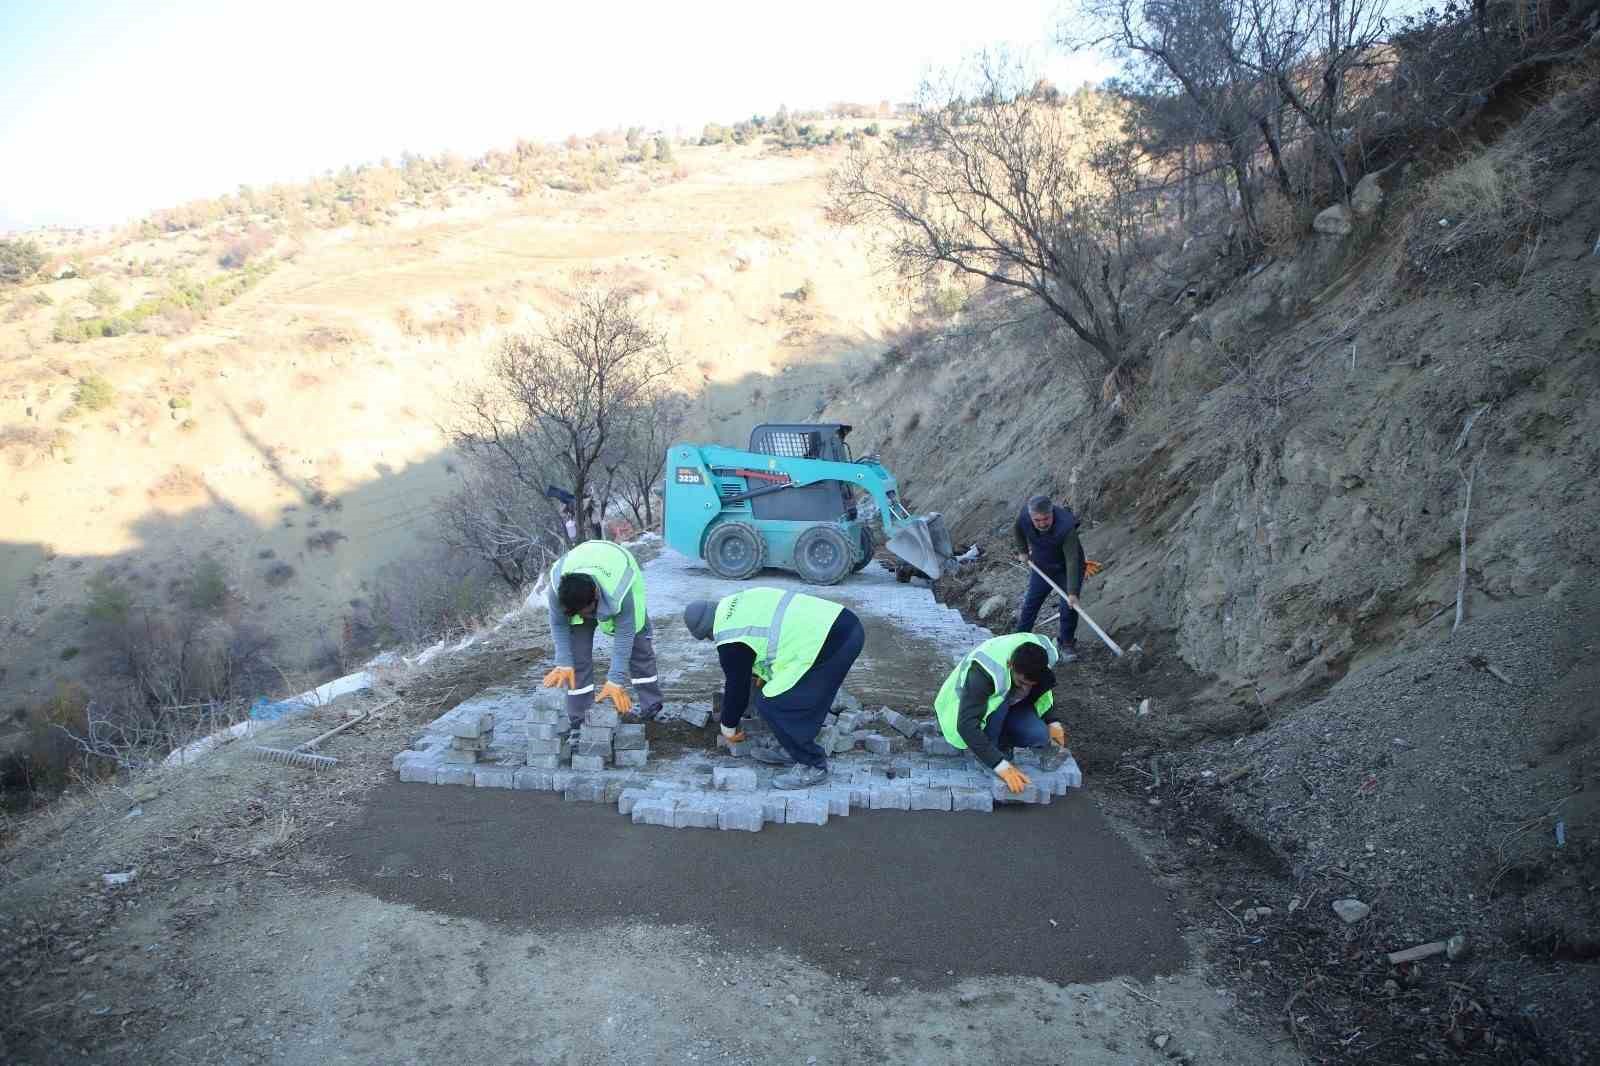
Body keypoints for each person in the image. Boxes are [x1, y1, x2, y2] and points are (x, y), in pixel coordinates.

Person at [682, 588, 864, 789]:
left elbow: (737, 688)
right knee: (789, 693)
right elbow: (766, 636)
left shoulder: (729, 637)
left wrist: (728, 725)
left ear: (707, 632)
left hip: (832, 641)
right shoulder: (735, 602)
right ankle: (790, 748)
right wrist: (763, 673)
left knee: (774, 703)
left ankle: (813, 765)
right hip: (841, 622)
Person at [542, 539, 664, 726]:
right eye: (578, 613)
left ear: (596, 595)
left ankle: (651, 704)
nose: (585, 617)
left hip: (615, 569)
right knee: (577, 658)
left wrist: (615, 680)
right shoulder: (558, 589)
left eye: (587, 612)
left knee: (638, 647)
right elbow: (559, 625)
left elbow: (625, 635)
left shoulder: (620, 587)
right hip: (585, 569)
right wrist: (563, 662)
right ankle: (579, 716)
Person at [933, 633, 1069, 794]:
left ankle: (1003, 742)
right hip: (963, 710)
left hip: (1007, 703)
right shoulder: (983, 672)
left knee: (1038, 734)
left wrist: (1053, 721)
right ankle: (990, 750)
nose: (1025, 689)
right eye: (1022, 683)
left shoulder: (1043, 655)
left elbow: (1043, 691)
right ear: (1010, 664)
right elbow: (966, 725)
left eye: (1030, 685)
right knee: (1001, 704)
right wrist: (1000, 765)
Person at [1012, 493, 1099, 662]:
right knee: (1031, 603)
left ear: (1052, 513)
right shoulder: (1024, 517)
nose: (1042, 523)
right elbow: (1017, 529)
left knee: (1069, 607)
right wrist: (1022, 551)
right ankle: (1019, 639)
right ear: (1031, 517)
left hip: (1066, 569)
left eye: (1046, 519)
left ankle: (1066, 643)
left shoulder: (1066, 527)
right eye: (1037, 521)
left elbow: (1073, 560)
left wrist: (1072, 592)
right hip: (1042, 566)